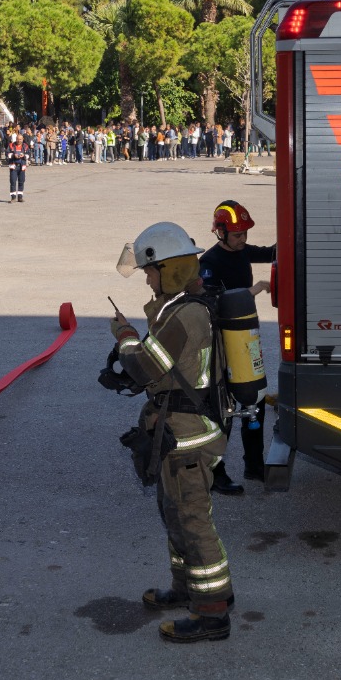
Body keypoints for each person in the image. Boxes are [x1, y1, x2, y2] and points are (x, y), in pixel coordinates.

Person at [111, 221, 234, 643]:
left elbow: (145, 366)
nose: (147, 279)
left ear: (170, 269)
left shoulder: (185, 315)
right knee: (174, 513)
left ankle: (212, 613)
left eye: (150, 271)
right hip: (179, 434)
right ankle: (186, 589)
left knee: (193, 521)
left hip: (188, 439)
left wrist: (125, 336)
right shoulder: (181, 307)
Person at [198, 200, 277, 495]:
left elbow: (270, 252)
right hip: (221, 345)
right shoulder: (209, 263)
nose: (243, 239)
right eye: (237, 234)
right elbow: (211, 304)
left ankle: (254, 466)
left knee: (255, 401)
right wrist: (251, 291)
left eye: (245, 233)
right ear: (221, 233)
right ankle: (216, 474)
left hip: (245, 340)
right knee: (224, 410)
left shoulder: (241, 250)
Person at [6, 133, 27, 203]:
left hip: (22, 166)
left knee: (21, 181)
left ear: (22, 139)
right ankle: (13, 197)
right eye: (18, 139)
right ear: (16, 139)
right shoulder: (11, 145)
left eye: (20, 139)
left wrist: (24, 155)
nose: (19, 140)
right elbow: (7, 154)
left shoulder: (25, 146)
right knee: (13, 181)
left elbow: (28, 154)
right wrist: (13, 155)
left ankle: (20, 197)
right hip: (13, 166)